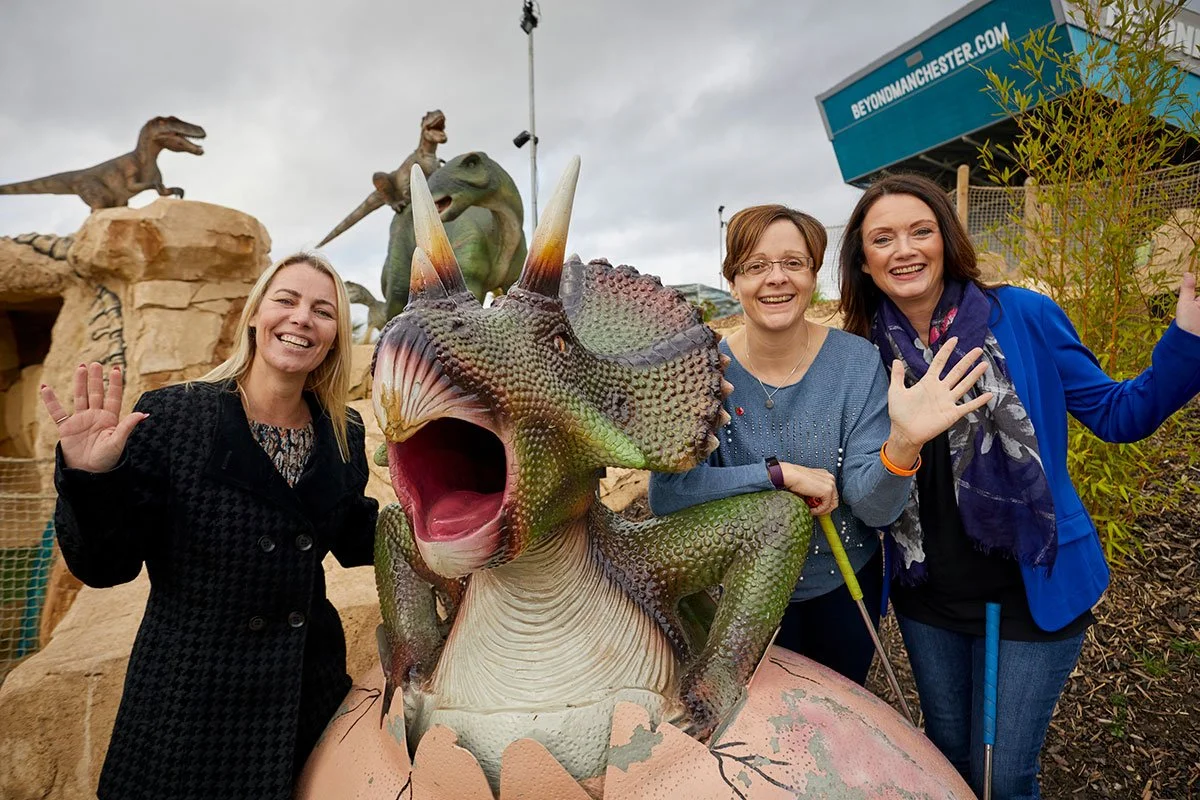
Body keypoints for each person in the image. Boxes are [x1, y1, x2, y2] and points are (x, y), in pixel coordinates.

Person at [837, 173, 1200, 800]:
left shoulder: (1024, 316)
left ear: (946, 241)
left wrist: (1189, 338)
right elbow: (859, 477)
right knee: (946, 762)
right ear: (864, 262)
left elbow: (1120, 414)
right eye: (883, 238)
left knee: (1004, 778)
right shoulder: (862, 354)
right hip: (932, 601)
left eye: (921, 231)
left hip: (1036, 589)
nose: (905, 249)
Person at [41, 252, 379, 800]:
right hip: (189, 711)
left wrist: (447, 517)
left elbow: (353, 532)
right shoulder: (174, 417)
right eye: (286, 301)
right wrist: (90, 475)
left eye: (323, 310)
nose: (301, 319)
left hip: (304, 697)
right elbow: (106, 566)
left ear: (335, 334)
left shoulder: (344, 429)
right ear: (254, 314)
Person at [649, 204, 991, 684]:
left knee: (838, 718)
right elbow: (668, 494)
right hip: (744, 596)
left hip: (845, 588)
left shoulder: (855, 362)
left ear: (813, 275)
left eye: (793, 263)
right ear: (733, 282)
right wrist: (777, 474)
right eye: (756, 266)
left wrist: (903, 444)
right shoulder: (702, 371)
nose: (776, 279)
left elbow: (875, 511)